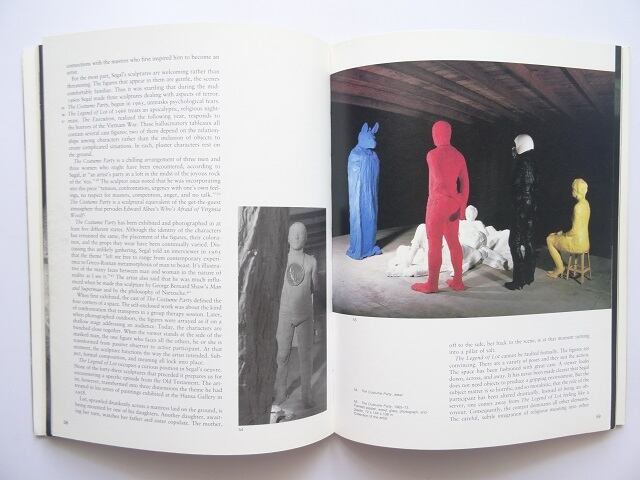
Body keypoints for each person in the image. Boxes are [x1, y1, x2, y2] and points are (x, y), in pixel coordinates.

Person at [411, 120, 469, 294]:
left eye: (434, 133)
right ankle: (458, 281)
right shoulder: (459, 156)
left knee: (435, 244)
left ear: (436, 134)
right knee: (454, 242)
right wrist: (461, 207)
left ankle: (432, 284)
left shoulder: (432, 155)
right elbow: (465, 184)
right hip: (453, 206)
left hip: (437, 205)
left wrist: (437, 202)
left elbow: (437, 182)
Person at [272, 222, 317, 422]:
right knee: (282, 355)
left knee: (306, 358)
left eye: (301, 234)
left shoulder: (312, 261)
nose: (297, 237)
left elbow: (315, 288)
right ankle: (280, 393)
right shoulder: (281, 260)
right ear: (288, 238)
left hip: (305, 313)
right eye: (294, 234)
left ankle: (307, 396)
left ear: (306, 238)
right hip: (285, 313)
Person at [505, 134, 538, 290]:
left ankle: (518, 281)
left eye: (515, 144)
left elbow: (515, 185)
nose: (513, 148)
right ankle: (529, 276)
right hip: (532, 206)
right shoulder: (533, 162)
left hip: (521, 207)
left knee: (515, 242)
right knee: (529, 241)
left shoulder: (520, 163)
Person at [347, 122, 382, 259]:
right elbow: (354, 173)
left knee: (371, 217)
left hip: (371, 192)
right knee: (359, 217)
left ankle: (370, 246)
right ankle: (359, 248)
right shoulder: (355, 154)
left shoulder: (373, 156)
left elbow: (376, 173)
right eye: (369, 139)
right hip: (359, 193)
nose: (373, 142)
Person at [546, 178, 590, 278]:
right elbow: (579, 226)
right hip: (585, 242)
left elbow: (574, 231)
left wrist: (563, 234)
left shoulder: (577, 207)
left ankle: (559, 268)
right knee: (555, 236)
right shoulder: (586, 204)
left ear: (577, 190)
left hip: (576, 242)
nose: (572, 191)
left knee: (549, 239)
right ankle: (560, 265)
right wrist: (561, 233)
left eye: (573, 189)